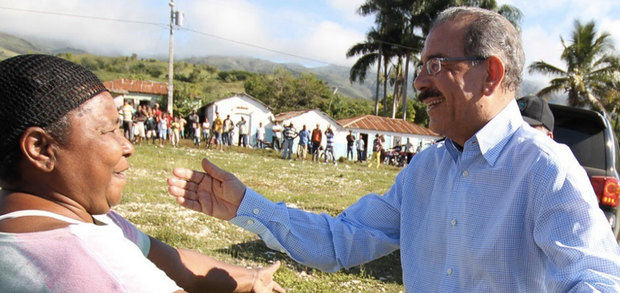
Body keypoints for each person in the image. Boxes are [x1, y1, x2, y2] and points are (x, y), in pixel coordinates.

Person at [168, 7, 620, 292]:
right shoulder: (423, 172)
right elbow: (339, 241)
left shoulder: (543, 169)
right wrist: (247, 205)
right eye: (421, 67)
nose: (419, 82)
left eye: (436, 66)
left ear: (491, 73)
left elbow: (597, 281)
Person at [0, 54, 284, 292]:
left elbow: (169, 259)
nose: (127, 145)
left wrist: (253, 278)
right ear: (41, 148)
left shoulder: (76, 218)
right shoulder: (91, 257)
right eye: (108, 130)